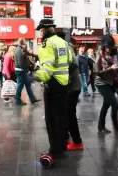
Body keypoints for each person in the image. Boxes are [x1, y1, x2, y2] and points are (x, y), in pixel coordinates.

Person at [34, 19, 72, 158]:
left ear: (49, 29)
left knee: (51, 119)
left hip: (52, 84)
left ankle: (54, 150)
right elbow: (70, 60)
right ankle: (62, 146)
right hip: (64, 83)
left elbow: (46, 69)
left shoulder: (47, 44)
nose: (41, 32)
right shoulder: (63, 43)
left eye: (42, 29)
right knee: (61, 117)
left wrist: (35, 76)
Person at [56, 31, 83, 150]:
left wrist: (65, 79)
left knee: (69, 114)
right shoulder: (64, 47)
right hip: (70, 86)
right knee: (66, 113)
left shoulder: (65, 47)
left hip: (72, 87)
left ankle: (77, 142)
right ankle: (65, 137)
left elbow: (73, 64)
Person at [95, 35, 118, 133]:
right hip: (101, 83)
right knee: (115, 104)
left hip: (111, 82)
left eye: (110, 48)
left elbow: (116, 66)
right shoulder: (100, 56)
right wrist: (110, 69)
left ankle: (100, 127)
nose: (108, 49)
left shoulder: (114, 55)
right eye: (106, 48)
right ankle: (116, 125)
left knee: (106, 105)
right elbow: (97, 72)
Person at [14, 38, 41, 105]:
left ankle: (32, 99)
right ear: (22, 43)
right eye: (25, 42)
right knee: (20, 85)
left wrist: (35, 56)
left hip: (22, 70)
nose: (26, 44)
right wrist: (27, 68)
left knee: (27, 84)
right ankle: (18, 100)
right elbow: (20, 63)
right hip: (21, 70)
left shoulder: (21, 49)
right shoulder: (19, 50)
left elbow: (28, 54)